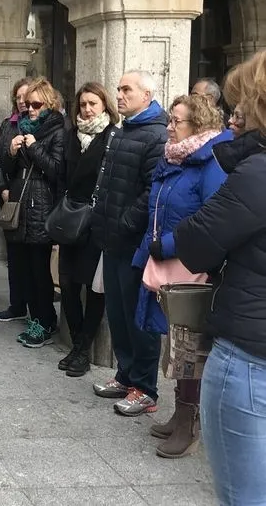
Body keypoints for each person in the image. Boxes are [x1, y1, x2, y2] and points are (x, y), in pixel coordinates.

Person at [175, 51, 266, 504]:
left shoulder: (257, 173)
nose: (236, 114)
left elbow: (194, 241)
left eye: (241, 103)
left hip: (252, 359)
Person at [129, 93, 229, 458]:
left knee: (190, 346)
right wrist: (148, 252)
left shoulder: (210, 162)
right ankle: (180, 412)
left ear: (198, 125)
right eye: (169, 119)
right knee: (175, 343)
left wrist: (168, 245)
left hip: (191, 266)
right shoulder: (174, 158)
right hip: (167, 263)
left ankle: (190, 422)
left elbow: (210, 219)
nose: (169, 127)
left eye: (177, 121)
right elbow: (157, 210)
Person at [90, 70, 168, 416]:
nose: (119, 94)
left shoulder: (156, 135)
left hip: (133, 242)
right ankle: (125, 375)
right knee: (118, 313)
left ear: (146, 96)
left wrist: (124, 223)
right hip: (112, 239)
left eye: (126, 89)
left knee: (140, 317)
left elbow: (152, 190)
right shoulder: (122, 130)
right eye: (118, 88)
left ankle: (145, 388)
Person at [57, 82, 119, 377]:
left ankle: (82, 348)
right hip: (72, 219)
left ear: (105, 105)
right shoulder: (71, 135)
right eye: (83, 104)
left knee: (94, 289)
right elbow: (62, 175)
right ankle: (78, 342)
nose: (87, 109)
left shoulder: (112, 137)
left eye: (93, 103)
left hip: (96, 221)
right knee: (67, 284)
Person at [1, 78, 65, 348]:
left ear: (49, 104)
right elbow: (7, 168)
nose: (30, 109)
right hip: (22, 202)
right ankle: (34, 317)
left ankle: (45, 320)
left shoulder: (58, 130)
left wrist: (34, 146)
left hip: (41, 205)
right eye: (28, 105)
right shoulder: (22, 126)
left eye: (36, 104)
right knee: (25, 268)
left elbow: (56, 171)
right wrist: (12, 152)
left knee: (40, 271)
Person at [0, 77, 33, 322]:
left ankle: (36, 308)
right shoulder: (8, 125)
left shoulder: (45, 125)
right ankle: (16, 303)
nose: (21, 102)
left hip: (35, 199)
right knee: (15, 255)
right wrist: (2, 188)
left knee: (33, 260)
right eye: (18, 98)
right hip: (12, 196)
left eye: (26, 98)